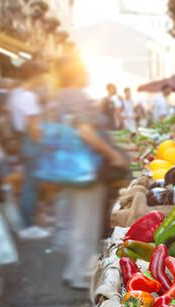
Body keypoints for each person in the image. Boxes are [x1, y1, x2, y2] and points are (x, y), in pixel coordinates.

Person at [53, 55, 129, 289]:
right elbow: (86, 133)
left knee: (76, 219)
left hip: (68, 167)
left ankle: (72, 271)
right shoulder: (77, 98)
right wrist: (111, 153)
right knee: (85, 222)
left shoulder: (60, 98)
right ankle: (80, 277)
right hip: (86, 168)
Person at [6, 61, 51, 238]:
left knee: (28, 184)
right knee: (31, 186)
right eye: (41, 75)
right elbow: (34, 127)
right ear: (34, 75)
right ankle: (27, 225)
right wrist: (43, 145)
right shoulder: (28, 97)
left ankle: (28, 221)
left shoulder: (16, 95)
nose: (42, 79)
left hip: (21, 141)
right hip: (30, 142)